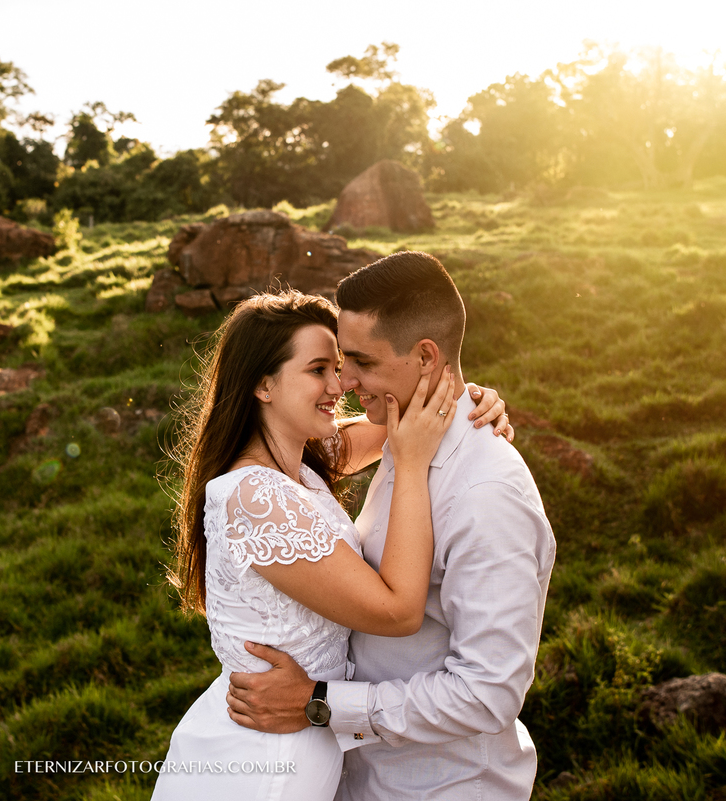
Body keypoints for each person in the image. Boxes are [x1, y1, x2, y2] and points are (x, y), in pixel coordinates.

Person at [152, 290, 513, 800]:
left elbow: (398, 417)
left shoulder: (299, 463)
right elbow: (397, 611)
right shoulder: (256, 496)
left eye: (341, 367)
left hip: (301, 741)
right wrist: (410, 465)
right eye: (318, 369)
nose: (339, 385)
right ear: (263, 384)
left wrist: (467, 397)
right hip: (264, 763)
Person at [225, 252, 557, 800]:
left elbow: (487, 694)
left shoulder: (487, 495)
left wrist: (320, 702)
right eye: (332, 362)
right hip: (356, 773)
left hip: (439, 786)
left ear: (426, 357)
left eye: (359, 361)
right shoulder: (405, 438)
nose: (344, 381)